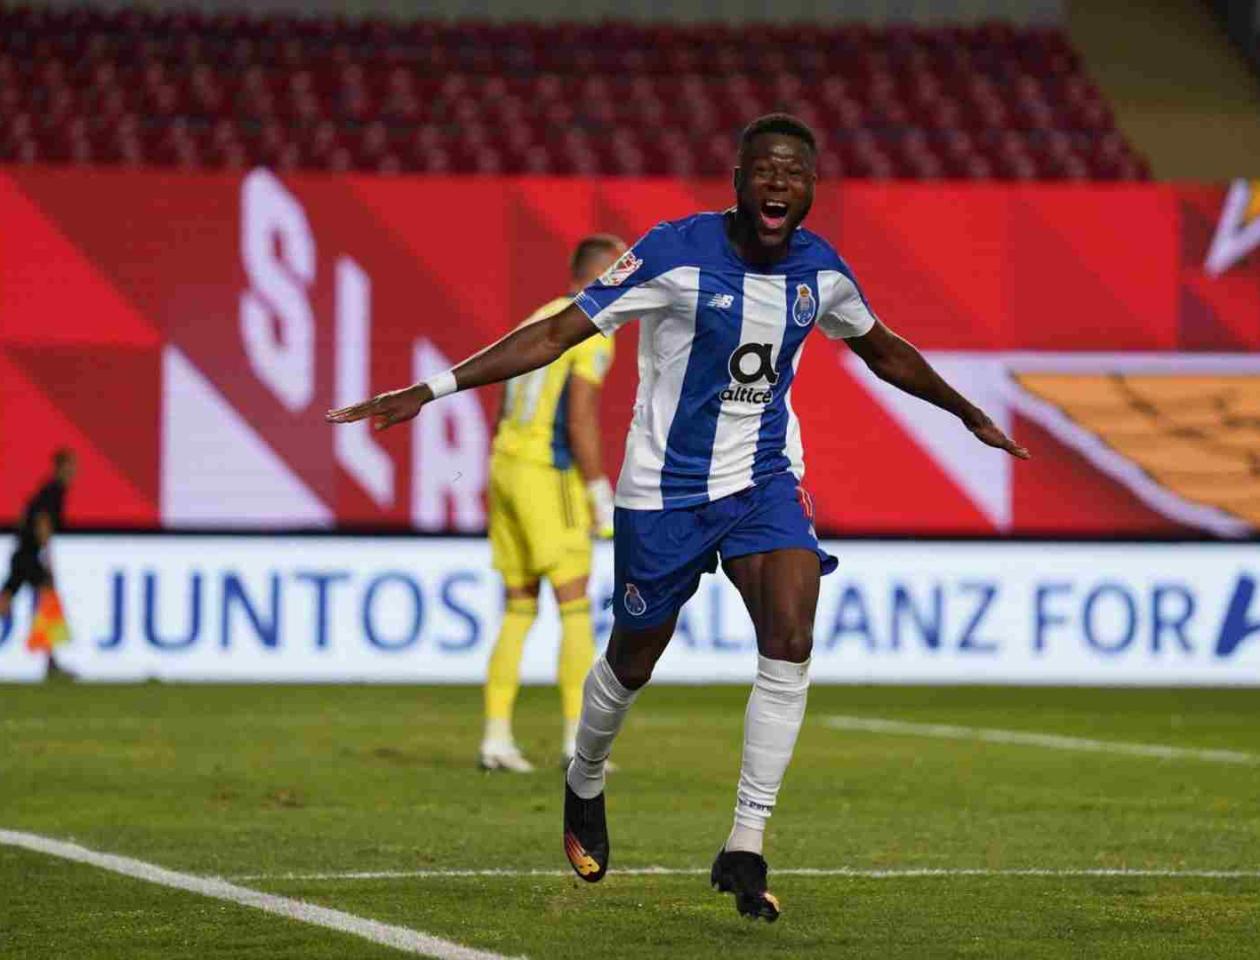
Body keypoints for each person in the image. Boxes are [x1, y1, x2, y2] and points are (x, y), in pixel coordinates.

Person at [328, 114, 1029, 922]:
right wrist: (432, 390)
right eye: (763, 168)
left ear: (809, 193)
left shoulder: (822, 274)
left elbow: (882, 347)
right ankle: (584, 777)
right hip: (663, 493)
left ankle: (745, 843)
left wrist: (965, 410)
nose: (777, 183)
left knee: (793, 634)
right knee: (632, 660)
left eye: (793, 173)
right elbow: (558, 330)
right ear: (736, 179)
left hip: (764, 481)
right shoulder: (672, 252)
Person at [480, 234, 626, 773]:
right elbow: (582, 414)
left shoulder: (538, 318)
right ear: (600, 276)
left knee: (519, 607)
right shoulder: (591, 328)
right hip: (548, 472)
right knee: (575, 606)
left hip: (504, 465)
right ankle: (577, 742)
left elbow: (503, 395)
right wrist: (595, 489)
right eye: (622, 272)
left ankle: (496, 737)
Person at [1, 448, 77, 676]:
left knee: (8, 599)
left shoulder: (46, 489)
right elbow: (43, 521)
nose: (74, 471)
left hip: (23, 553)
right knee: (47, 598)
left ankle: (51, 661)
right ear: (61, 467)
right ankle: (51, 663)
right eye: (70, 466)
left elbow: (26, 515)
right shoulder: (54, 490)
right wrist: (48, 555)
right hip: (30, 556)